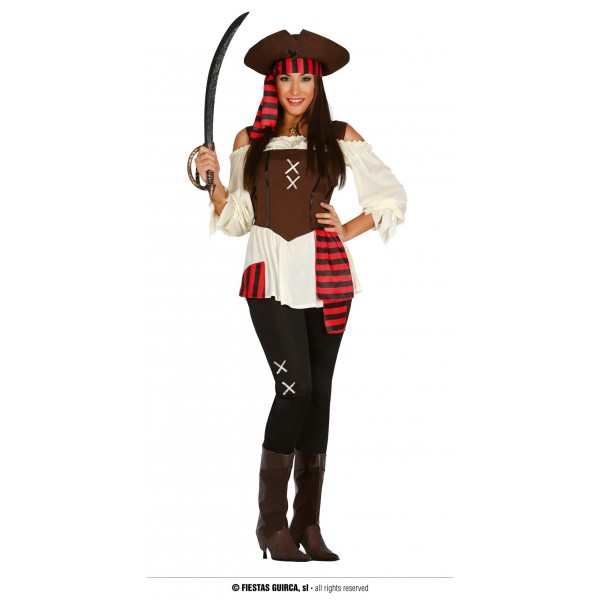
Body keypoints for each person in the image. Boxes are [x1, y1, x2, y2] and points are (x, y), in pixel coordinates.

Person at [195, 29, 407, 562]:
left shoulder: (338, 134)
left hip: (328, 276)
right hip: (269, 274)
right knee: (295, 389)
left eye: (305, 79)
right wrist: (214, 182)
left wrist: (347, 228)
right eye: (286, 78)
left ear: (318, 84)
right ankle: (270, 524)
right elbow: (238, 220)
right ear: (273, 83)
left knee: (320, 394)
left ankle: (307, 525)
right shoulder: (250, 139)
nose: (295, 88)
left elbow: (390, 195)